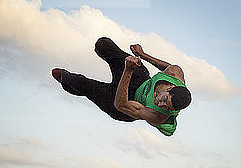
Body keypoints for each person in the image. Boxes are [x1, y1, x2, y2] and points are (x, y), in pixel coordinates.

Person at [51, 37, 191, 136]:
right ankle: (79, 85)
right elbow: (167, 67)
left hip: (122, 105)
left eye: (166, 107)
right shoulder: (175, 73)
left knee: (75, 81)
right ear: (170, 88)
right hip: (140, 80)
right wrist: (143, 55)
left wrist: (128, 70)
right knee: (103, 44)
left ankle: (70, 84)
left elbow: (120, 104)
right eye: (164, 99)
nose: (160, 104)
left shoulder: (158, 116)